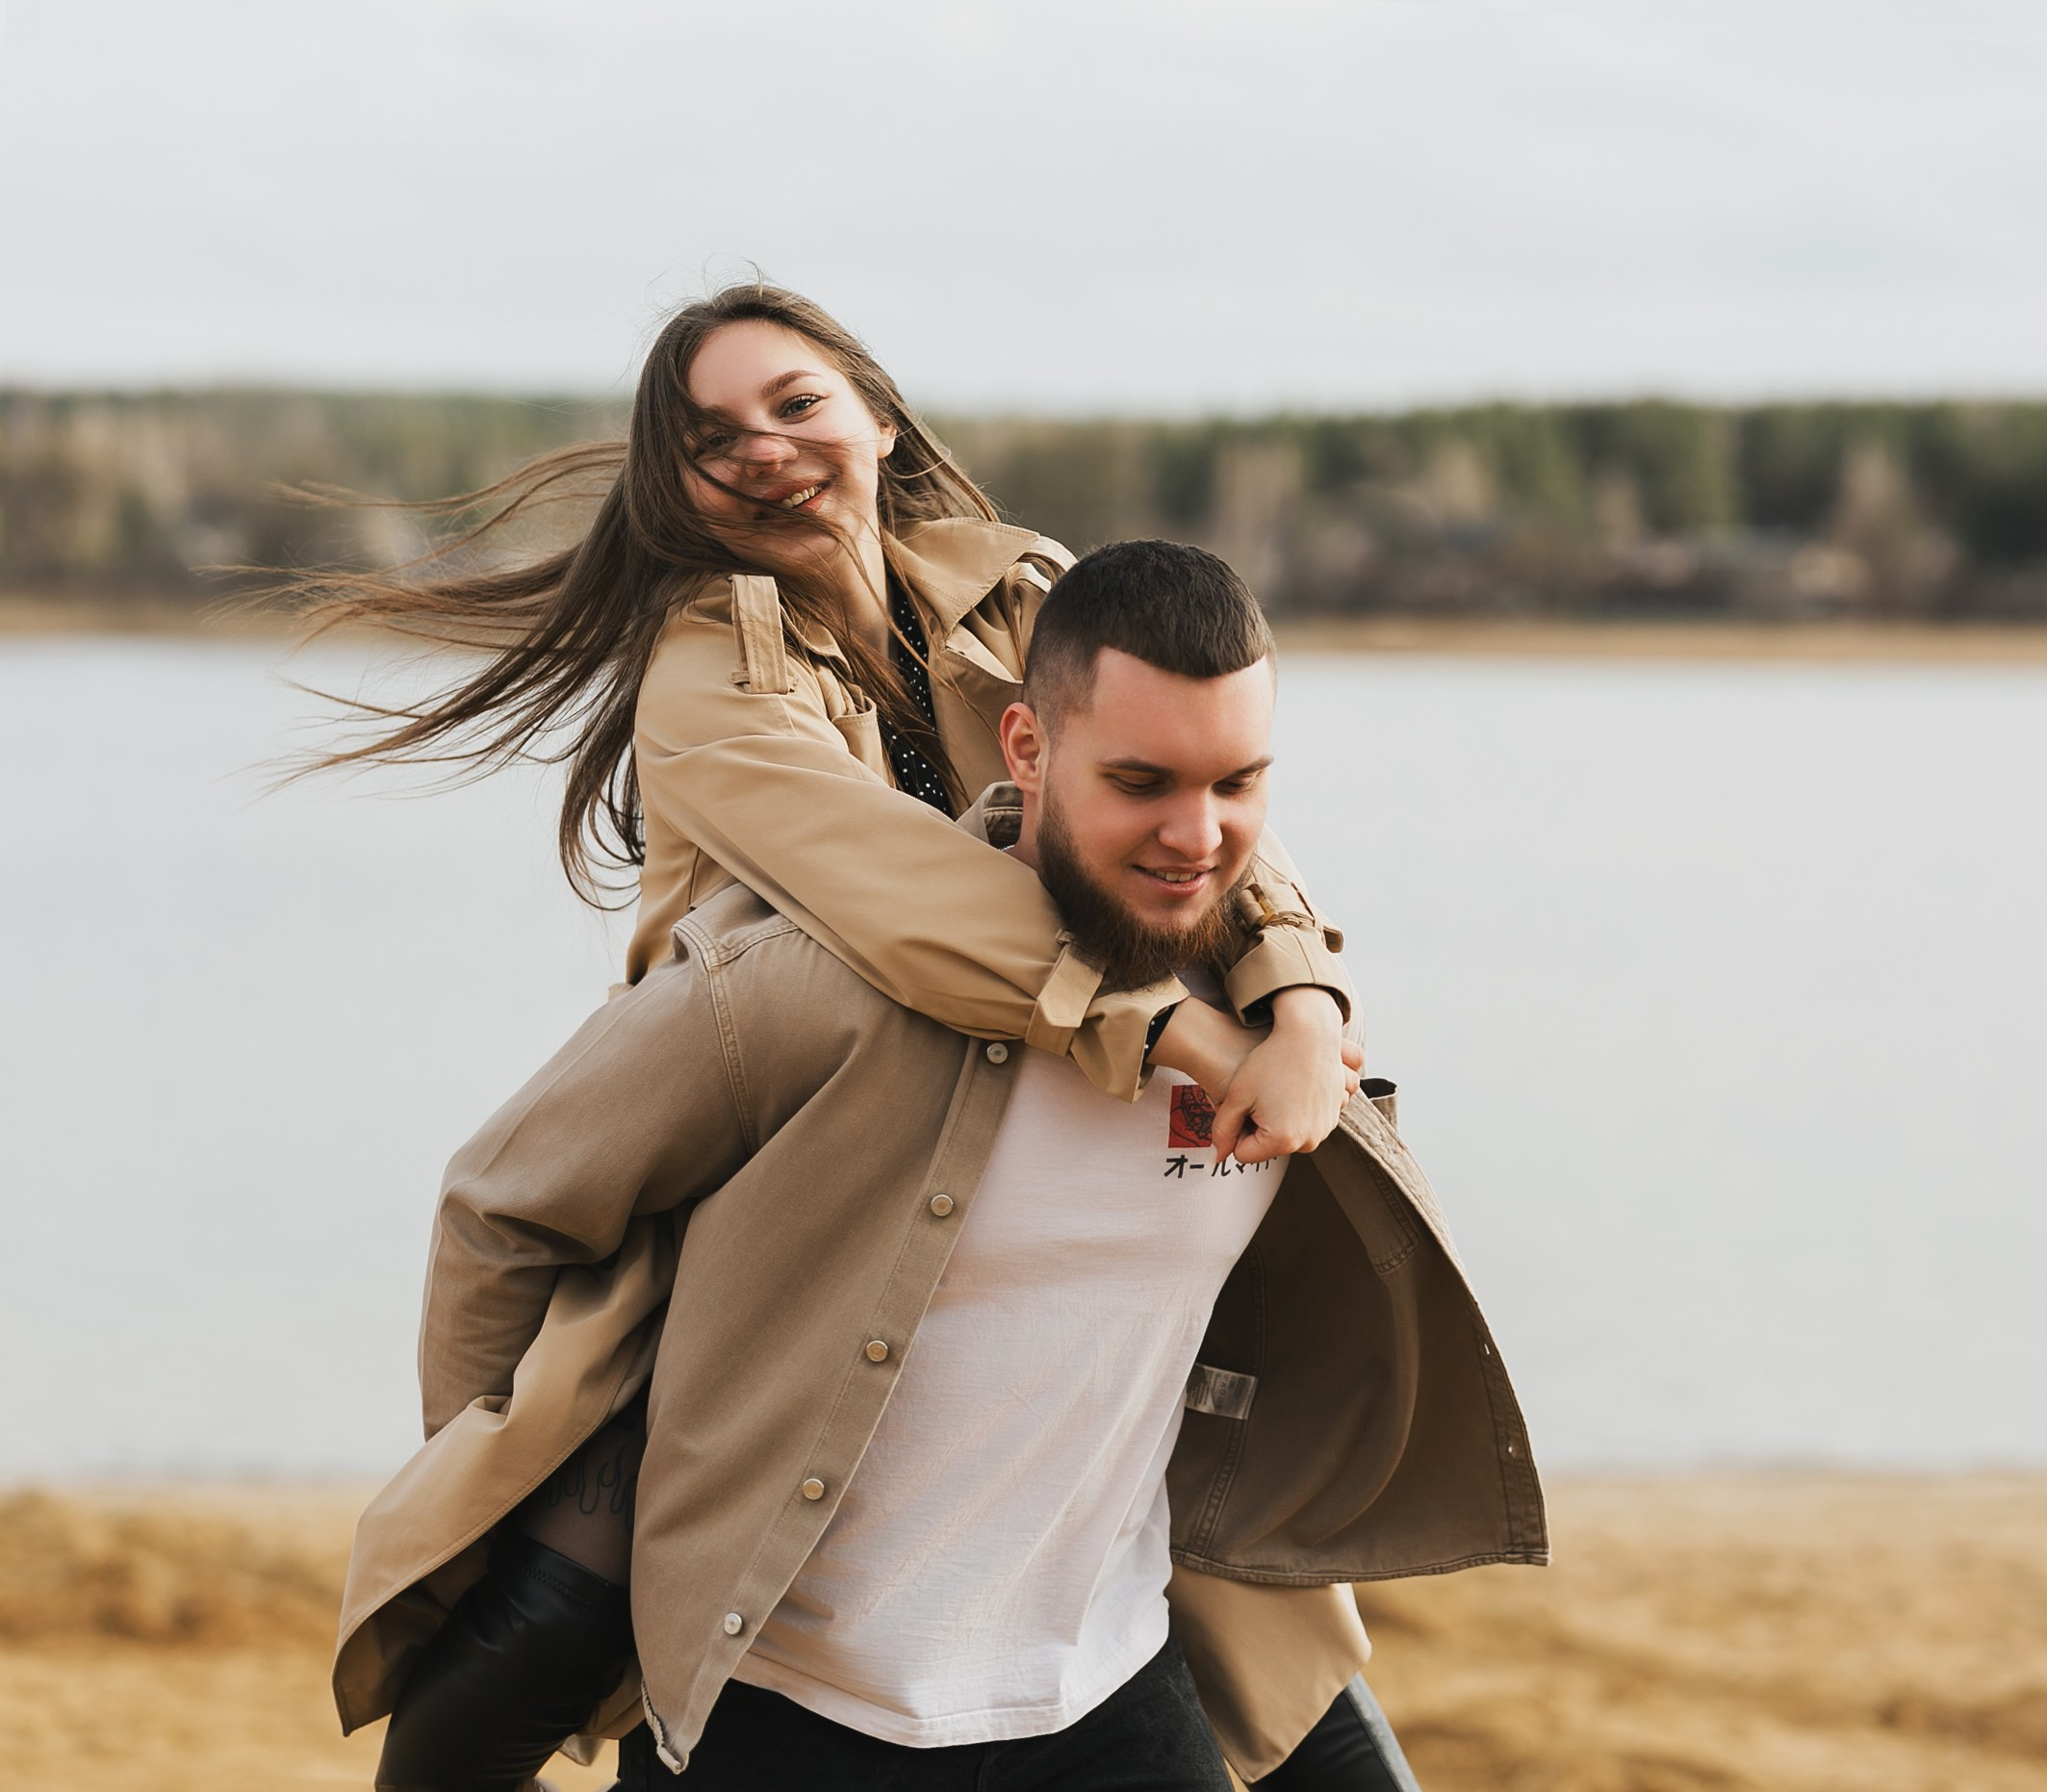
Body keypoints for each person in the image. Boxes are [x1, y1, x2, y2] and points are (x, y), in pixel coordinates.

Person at [291, 288, 1371, 1777]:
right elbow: (904, 903)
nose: (764, 449)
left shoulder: (1023, 588)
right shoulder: (702, 671)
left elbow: (1203, 792)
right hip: (760, 1169)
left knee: (1252, 1635)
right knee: (545, 1617)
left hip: (1017, 1135)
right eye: (708, 435)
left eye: (795, 404)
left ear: (875, 412)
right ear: (675, 488)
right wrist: (1186, 1040)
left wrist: (1304, 995)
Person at [334, 541, 1545, 1788]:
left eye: (1237, 782)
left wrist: (1307, 1013)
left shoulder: (1268, 1025)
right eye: (1140, 782)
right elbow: (505, 1203)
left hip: (1105, 1691)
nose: (1197, 835)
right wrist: (496, 1488)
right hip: (789, 1709)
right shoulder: (808, 982)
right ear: (1025, 748)